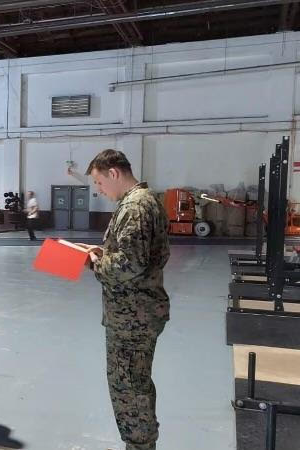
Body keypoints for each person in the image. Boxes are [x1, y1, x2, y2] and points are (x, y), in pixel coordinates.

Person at [84, 149, 170, 450]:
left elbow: (130, 265)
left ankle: (140, 445)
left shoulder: (134, 207)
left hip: (131, 318)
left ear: (114, 173)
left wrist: (95, 262)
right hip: (138, 313)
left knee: (129, 389)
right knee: (137, 384)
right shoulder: (146, 201)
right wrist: (103, 252)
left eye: (99, 182)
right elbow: (143, 256)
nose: (99, 190)